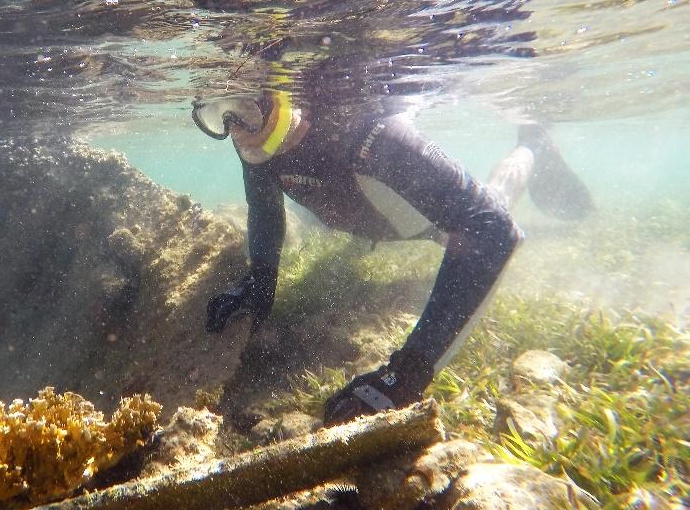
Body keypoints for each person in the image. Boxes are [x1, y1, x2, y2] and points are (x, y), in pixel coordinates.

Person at [192, 91, 592, 426]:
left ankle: (532, 146)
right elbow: (264, 207)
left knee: (495, 198)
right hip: (360, 217)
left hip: (420, 223)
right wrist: (260, 278)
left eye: (245, 109)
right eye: (216, 116)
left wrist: (409, 372)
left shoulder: (369, 132)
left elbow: (491, 227)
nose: (238, 130)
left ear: (281, 96)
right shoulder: (255, 139)